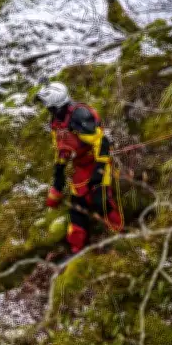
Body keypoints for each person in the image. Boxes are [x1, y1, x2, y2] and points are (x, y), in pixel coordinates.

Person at [36, 81, 124, 254]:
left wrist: (99, 171)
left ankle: (119, 234)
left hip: (99, 161)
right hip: (81, 165)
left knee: (101, 199)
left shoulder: (79, 116)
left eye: (49, 107)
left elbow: (102, 142)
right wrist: (58, 173)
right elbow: (62, 148)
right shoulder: (57, 121)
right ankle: (77, 247)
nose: (47, 110)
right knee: (78, 206)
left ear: (57, 106)